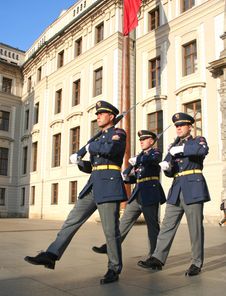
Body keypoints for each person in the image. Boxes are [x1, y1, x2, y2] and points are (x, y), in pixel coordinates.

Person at [24, 100, 127, 284]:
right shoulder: (99, 137)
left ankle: (114, 268)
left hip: (109, 186)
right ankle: (52, 254)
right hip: (93, 185)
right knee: (71, 221)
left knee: (110, 231)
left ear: (111, 116)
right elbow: (94, 166)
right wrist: (80, 162)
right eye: (97, 114)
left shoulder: (118, 133)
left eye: (101, 114)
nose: (98, 117)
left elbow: (111, 150)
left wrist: (89, 147)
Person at [138, 112, 210, 276]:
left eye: (181, 125)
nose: (178, 128)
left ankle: (196, 263)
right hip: (177, 189)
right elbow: (172, 171)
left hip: (193, 188)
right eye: (176, 126)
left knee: (195, 228)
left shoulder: (197, 140)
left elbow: (202, 151)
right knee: (167, 226)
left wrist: (183, 148)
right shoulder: (172, 146)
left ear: (189, 127)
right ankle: (157, 258)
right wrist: (168, 169)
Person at [92, 130, 166, 261]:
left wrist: (138, 159)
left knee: (152, 226)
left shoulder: (155, 152)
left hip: (150, 191)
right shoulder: (139, 157)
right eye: (140, 140)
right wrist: (126, 177)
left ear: (152, 141)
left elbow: (154, 160)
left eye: (145, 139)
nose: (141, 141)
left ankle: (154, 256)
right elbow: (136, 177)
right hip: (137, 192)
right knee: (124, 222)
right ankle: (111, 246)